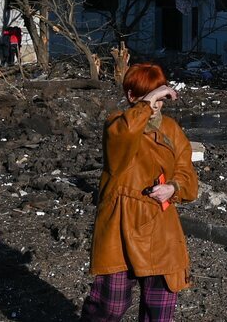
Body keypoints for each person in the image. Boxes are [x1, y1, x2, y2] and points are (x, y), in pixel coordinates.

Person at [80, 63, 198, 322]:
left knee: (159, 309)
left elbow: (188, 177)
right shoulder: (117, 125)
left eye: (160, 96)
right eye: (150, 96)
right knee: (109, 307)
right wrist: (145, 105)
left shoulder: (171, 130)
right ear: (132, 96)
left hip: (160, 227)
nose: (157, 104)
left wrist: (173, 187)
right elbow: (124, 136)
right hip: (120, 226)